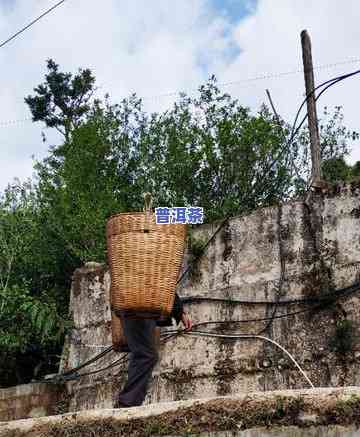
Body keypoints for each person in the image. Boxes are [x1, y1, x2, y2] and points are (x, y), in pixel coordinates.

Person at [114, 293, 192, 408]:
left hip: (137, 309)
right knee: (146, 355)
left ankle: (129, 402)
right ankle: (127, 403)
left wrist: (180, 312)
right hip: (138, 308)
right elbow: (164, 281)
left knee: (143, 354)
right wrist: (180, 312)